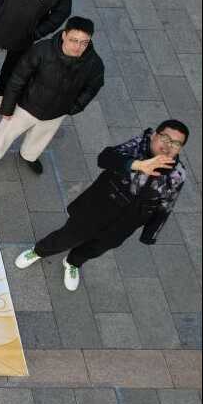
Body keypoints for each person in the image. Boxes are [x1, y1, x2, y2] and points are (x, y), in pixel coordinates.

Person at [14, 121, 189, 291]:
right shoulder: (137, 146)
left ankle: (72, 262)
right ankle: (39, 251)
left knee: (98, 247)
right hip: (98, 208)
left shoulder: (178, 174)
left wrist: (150, 233)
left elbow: (166, 204)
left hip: (127, 222)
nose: (168, 146)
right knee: (69, 236)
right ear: (155, 135)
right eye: (165, 138)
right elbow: (104, 158)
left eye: (176, 143)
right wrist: (137, 165)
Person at [0, 17, 104, 174]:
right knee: (6, 131)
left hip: (56, 112)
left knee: (41, 138)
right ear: (64, 35)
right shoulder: (42, 50)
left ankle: (28, 156)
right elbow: (18, 78)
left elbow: (93, 87)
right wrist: (8, 107)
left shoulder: (94, 64)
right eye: (74, 40)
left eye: (84, 42)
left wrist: (74, 107)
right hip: (27, 105)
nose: (78, 47)